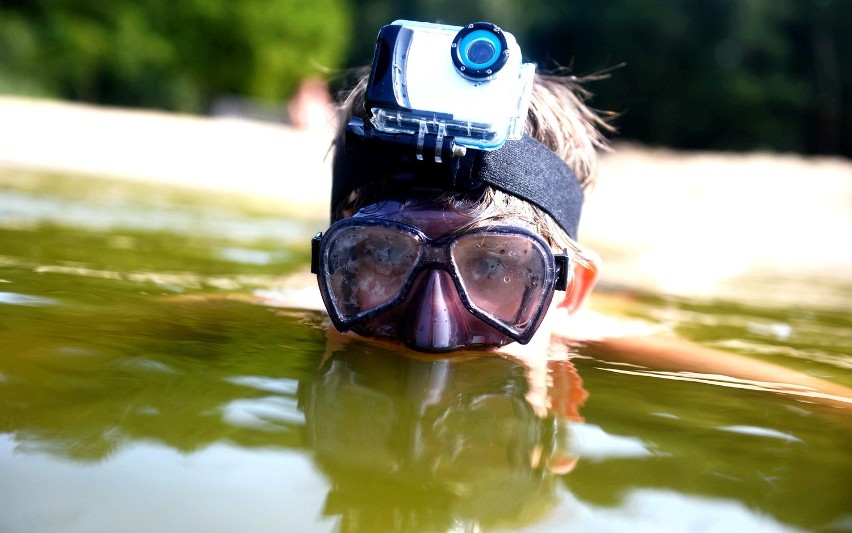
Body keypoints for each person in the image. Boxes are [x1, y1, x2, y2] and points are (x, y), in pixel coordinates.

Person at [307, 19, 852, 411]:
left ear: (569, 293)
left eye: (498, 266)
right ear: (328, 268)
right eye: (379, 252)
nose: (432, 333)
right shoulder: (321, 303)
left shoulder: (593, 328)